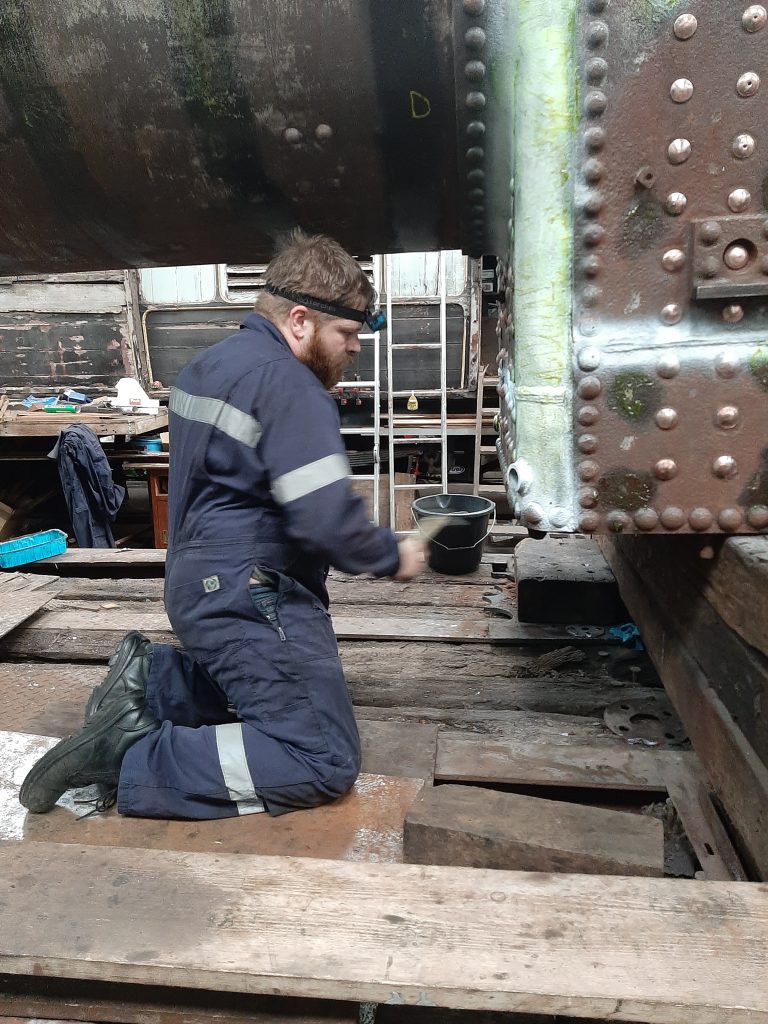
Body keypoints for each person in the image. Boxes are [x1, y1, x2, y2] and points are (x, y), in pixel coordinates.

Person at [20, 230, 425, 819]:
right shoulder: (292, 386)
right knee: (320, 756)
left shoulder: (206, 367)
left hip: (198, 587)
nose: (354, 349)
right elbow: (325, 522)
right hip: (253, 595)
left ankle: (153, 684)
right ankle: (133, 757)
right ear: (301, 320)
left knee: (268, 698)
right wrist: (395, 553)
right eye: (347, 334)